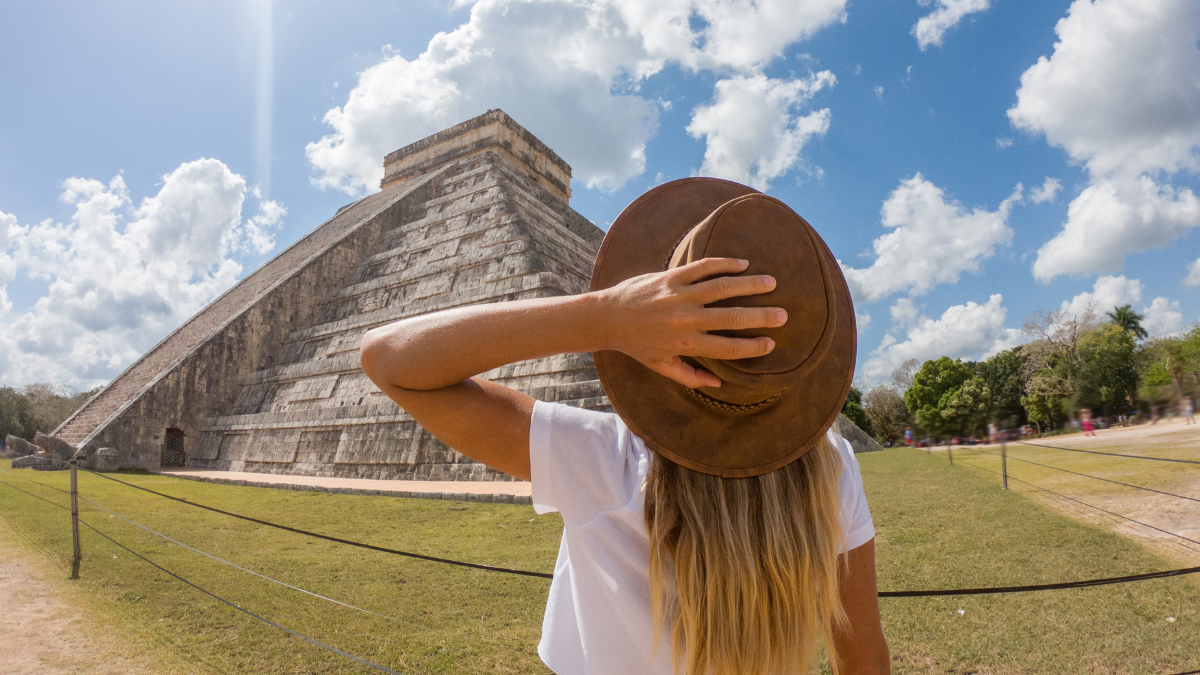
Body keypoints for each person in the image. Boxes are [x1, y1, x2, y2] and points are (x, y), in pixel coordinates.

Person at [360, 179, 890, 675]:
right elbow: (863, 654)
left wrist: (606, 318)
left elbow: (388, 359)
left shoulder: (602, 458)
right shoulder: (833, 467)